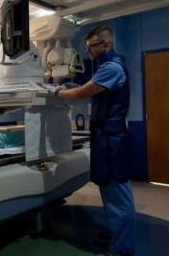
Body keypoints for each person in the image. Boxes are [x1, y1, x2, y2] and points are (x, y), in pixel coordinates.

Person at [41, 26, 136, 256]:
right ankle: (116, 234)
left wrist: (53, 91)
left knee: (118, 196)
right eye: (86, 48)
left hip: (112, 140)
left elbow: (80, 94)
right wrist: (70, 87)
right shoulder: (106, 67)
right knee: (109, 192)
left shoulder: (112, 68)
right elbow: (86, 89)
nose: (88, 51)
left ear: (106, 45)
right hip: (106, 137)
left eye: (91, 47)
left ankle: (121, 250)